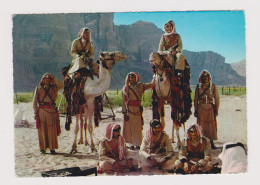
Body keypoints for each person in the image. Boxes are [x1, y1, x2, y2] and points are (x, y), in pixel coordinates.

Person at [122, 72, 155, 150]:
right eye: (129, 78)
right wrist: (124, 111)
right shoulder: (126, 88)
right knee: (129, 128)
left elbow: (151, 84)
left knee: (137, 127)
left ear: (136, 78)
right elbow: (123, 101)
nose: (131, 79)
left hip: (137, 109)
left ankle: (138, 144)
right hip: (129, 110)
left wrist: (155, 76)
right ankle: (130, 144)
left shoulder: (141, 86)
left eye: (133, 77)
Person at [33, 73, 64, 154]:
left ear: (51, 80)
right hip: (41, 111)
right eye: (45, 78)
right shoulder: (38, 88)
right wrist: (35, 112)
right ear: (42, 80)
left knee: (52, 130)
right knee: (42, 130)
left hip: (52, 111)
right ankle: (42, 148)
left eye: (48, 78)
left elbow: (61, 84)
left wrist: (53, 76)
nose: (47, 80)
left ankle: (52, 148)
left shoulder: (54, 88)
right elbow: (34, 102)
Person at [194, 70, 220, 149]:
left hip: (210, 109)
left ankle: (211, 143)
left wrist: (216, 109)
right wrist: (196, 110)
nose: (205, 79)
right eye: (203, 77)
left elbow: (217, 98)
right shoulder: (198, 87)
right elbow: (195, 99)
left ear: (209, 78)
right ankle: (202, 143)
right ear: (201, 78)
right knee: (201, 126)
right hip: (201, 109)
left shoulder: (213, 86)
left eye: (206, 77)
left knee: (211, 126)